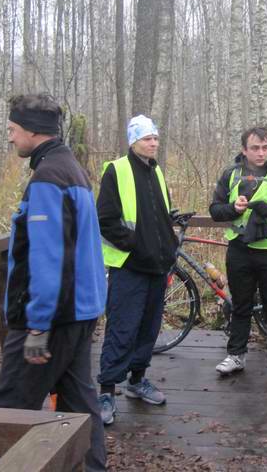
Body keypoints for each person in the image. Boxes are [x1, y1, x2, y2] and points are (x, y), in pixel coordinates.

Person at [0, 94, 107, 471]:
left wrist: (37, 323)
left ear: (33, 130)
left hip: (51, 319)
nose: (10, 138)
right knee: (79, 408)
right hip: (80, 311)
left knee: (8, 411)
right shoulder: (70, 167)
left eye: (12, 130)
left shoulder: (48, 177)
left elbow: (48, 256)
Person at [96, 115, 178, 425]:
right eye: (147, 138)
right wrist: (133, 243)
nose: (154, 143)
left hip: (157, 266)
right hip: (129, 266)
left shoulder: (155, 171)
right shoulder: (117, 170)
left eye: (156, 137)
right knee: (122, 328)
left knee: (148, 328)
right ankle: (106, 391)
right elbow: (104, 219)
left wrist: (169, 245)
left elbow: (160, 214)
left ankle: (137, 381)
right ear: (133, 141)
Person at [209, 126, 267, 379]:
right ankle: (236, 355)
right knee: (240, 305)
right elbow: (215, 210)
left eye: (265, 147)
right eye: (255, 148)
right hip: (239, 250)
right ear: (244, 150)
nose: (261, 153)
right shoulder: (231, 174)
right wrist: (234, 208)